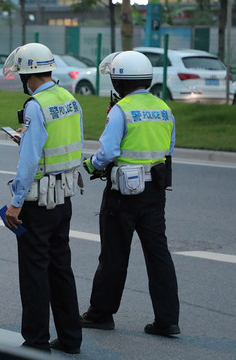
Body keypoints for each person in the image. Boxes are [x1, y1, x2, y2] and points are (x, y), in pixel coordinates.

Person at [80, 51, 180, 336]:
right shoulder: (164, 108)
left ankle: (100, 313)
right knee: (158, 254)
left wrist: (91, 164)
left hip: (122, 193)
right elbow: (168, 148)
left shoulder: (121, 110)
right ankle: (167, 320)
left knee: (114, 254)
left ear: (118, 80)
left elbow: (107, 153)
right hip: (155, 192)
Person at [3, 43, 83, 354]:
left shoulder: (36, 105)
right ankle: (70, 338)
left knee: (34, 272)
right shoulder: (69, 98)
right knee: (61, 268)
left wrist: (16, 202)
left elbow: (30, 161)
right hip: (64, 197)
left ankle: (36, 341)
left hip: (38, 201)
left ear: (27, 74)